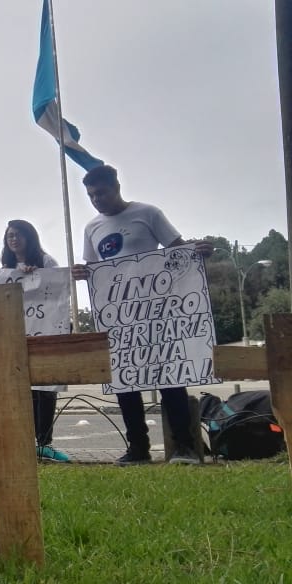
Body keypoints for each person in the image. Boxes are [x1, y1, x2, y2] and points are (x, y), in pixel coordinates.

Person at [72, 164, 210, 466]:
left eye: (102, 193)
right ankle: (138, 448)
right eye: (92, 196)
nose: (97, 200)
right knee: (126, 382)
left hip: (156, 312)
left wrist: (198, 250)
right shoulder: (91, 228)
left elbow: (177, 249)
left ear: (116, 186)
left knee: (169, 378)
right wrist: (82, 273)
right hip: (119, 318)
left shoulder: (148, 213)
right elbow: (95, 270)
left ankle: (184, 446)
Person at [0, 219, 70, 463]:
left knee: (45, 389)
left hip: (44, 334)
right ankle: (25, 440)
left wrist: (36, 276)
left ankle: (45, 442)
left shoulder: (46, 261)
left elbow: (59, 293)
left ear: (30, 237)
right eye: (9, 235)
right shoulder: (5, 268)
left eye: (18, 234)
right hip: (17, 336)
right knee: (22, 390)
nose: (13, 239)